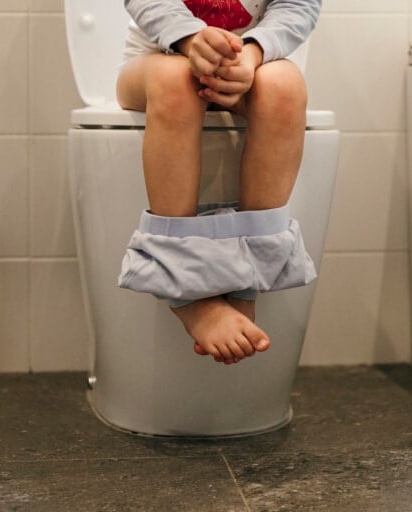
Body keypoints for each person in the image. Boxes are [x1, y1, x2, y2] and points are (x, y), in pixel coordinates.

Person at [116, 0, 322, 365]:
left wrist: (253, 53)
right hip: (157, 59)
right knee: (176, 81)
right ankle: (183, 286)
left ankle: (248, 274)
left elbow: (297, 5)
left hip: (252, 65)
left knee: (286, 86)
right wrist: (192, 40)